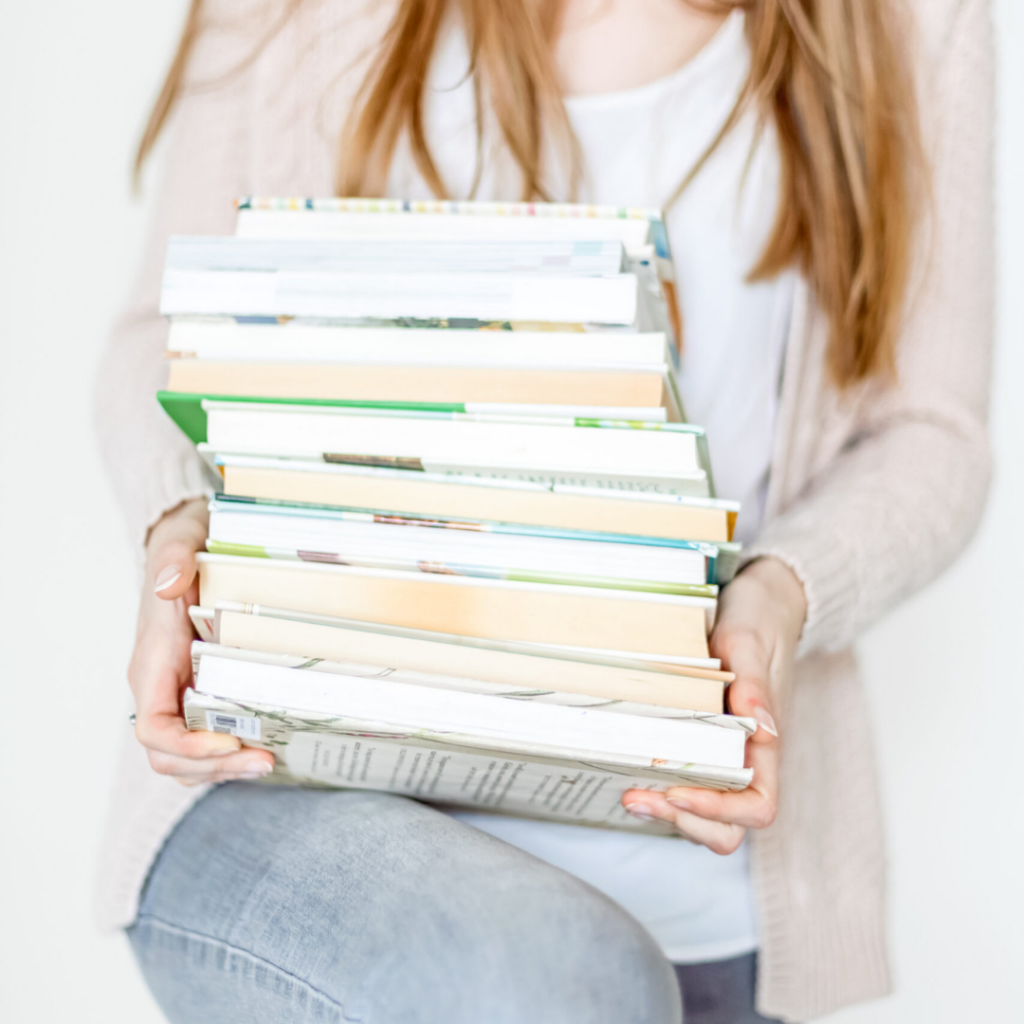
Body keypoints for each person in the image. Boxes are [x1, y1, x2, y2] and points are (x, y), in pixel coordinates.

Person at [94, 1, 993, 1021]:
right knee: (559, 984)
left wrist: (781, 592)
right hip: (300, 799)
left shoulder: (917, 22)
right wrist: (183, 520)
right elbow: (156, 339)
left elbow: (932, 435)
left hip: (705, 899)